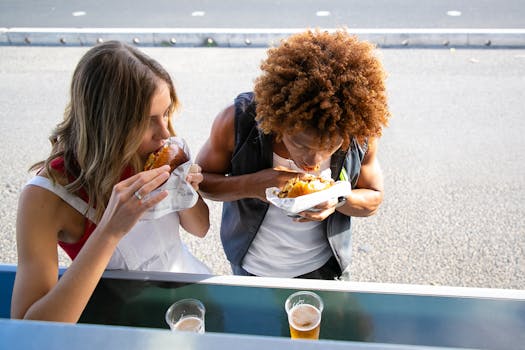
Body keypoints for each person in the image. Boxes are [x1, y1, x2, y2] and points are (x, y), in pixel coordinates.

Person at [11, 41, 210, 322]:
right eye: (148, 120)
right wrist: (109, 231)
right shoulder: (45, 196)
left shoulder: (154, 152)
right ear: (107, 124)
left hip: (190, 301)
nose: (165, 132)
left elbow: (200, 228)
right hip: (121, 321)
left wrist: (186, 190)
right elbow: (29, 328)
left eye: (166, 113)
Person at [196, 29, 391, 280]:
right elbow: (202, 182)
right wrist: (253, 184)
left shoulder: (357, 131)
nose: (314, 161)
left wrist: (337, 198)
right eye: (300, 143)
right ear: (278, 121)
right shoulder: (237, 120)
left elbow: (374, 199)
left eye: (329, 146)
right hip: (250, 266)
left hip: (325, 269)